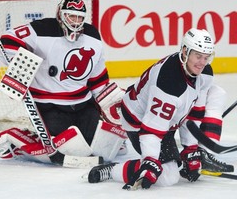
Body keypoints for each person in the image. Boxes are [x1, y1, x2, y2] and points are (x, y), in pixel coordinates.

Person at [0, 0, 127, 164]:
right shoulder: (42, 29)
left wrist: (109, 100)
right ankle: (15, 139)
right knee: (62, 152)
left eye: (79, 17)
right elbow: (7, 41)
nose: (76, 21)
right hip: (50, 105)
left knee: (100, 147)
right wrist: (23, 67)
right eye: (71, 16)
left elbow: (97, 78)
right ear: (61, 15)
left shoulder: (92, 36)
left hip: (83, 103)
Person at [87, 28, 233, 189]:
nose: (202, 63)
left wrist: (191, 150)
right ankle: (113, 170)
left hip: (169, 116)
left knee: (217, 93)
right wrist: (151, 160)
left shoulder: (203, 72)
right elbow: (152, 130)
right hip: (140, 122)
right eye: (198, 56)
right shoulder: (169, 83)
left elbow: (194, 112)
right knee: (168, 176)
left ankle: (204, 153)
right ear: (185, 51)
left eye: (206, 57)